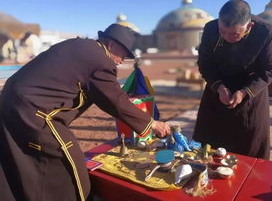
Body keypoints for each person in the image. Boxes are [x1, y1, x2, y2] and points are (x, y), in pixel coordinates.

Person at [0, 23, 170, 201]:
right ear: (112, 44)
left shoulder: (79, 46)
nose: (122, 61)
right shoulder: (100, 60)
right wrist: (152, 123)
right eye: (123, 54)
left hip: (9, 101)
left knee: (21, 159)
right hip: (35, 112)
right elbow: (114, 100)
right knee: (70, 161)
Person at [193, 0, 272, 159]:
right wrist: (219, 87)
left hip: (250, 95)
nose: (226, 37)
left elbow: (270, 69)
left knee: (249, 153)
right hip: (217, 91)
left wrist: (243, 92)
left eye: (234, 34)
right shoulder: (211, 29)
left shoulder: (266, 32)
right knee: (208, 148)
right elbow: (205, 63)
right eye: (222, 31)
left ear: (249, 26)